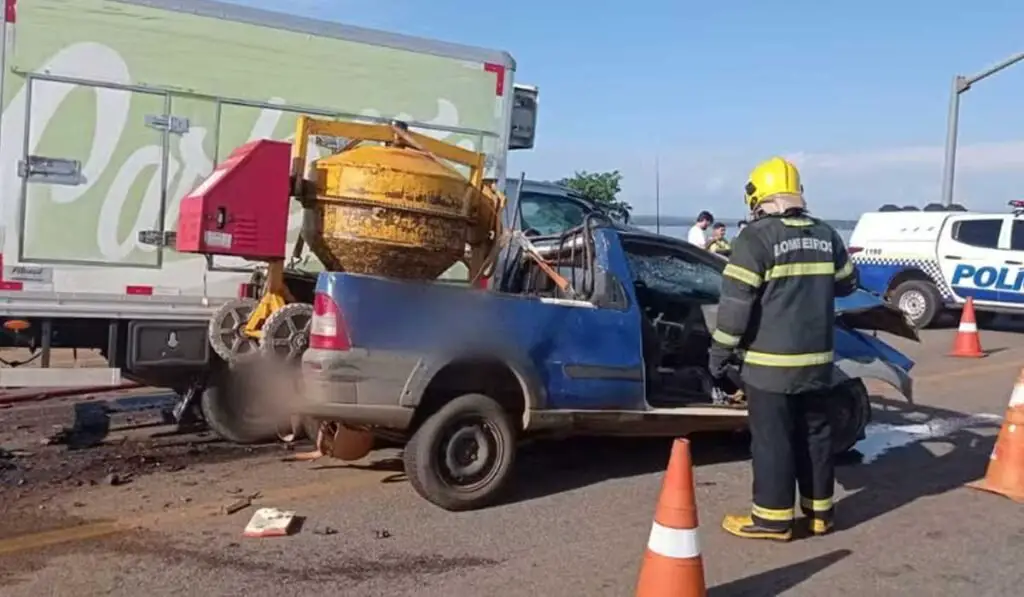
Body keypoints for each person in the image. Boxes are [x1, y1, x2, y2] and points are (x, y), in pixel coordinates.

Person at [708, 156, 858, 542]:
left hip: (769, 366)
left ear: (757, 197)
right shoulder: (826, 234)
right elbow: (847, 285)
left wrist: (719, 354)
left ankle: (773, 521)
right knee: (815, 435)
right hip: (818, 364)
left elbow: (735, 308)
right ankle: (820, 514)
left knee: (773, 441)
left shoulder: (756, 238)